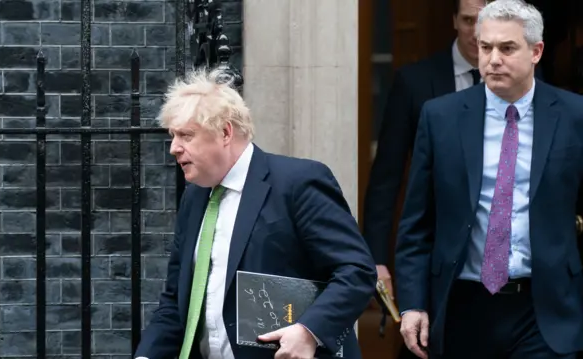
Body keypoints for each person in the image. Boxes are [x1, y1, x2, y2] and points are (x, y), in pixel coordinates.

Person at [133, 69, 377, 359]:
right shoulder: (196, 196)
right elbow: (176, 299)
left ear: (225, 132)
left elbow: (356, 271)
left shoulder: (297, 182)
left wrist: (309, 331)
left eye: (186, 135)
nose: (174, 148)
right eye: (173, 136)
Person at [395, 1, 583, 359]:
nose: (493, 59)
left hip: (545, 309)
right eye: (485, 47)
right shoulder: (440, 117)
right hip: (462, 304)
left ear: (536, 51)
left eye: (507, 48)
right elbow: (416, 225)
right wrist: (413, 304)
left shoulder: (574, 116)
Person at [363, 0, 486, 298]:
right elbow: (386, 178)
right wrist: (375, 260)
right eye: (469, 20)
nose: (476, 32)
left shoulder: (520, 80)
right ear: (455, 20)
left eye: (484, 21)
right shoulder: (414, 82)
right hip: (433, 254)